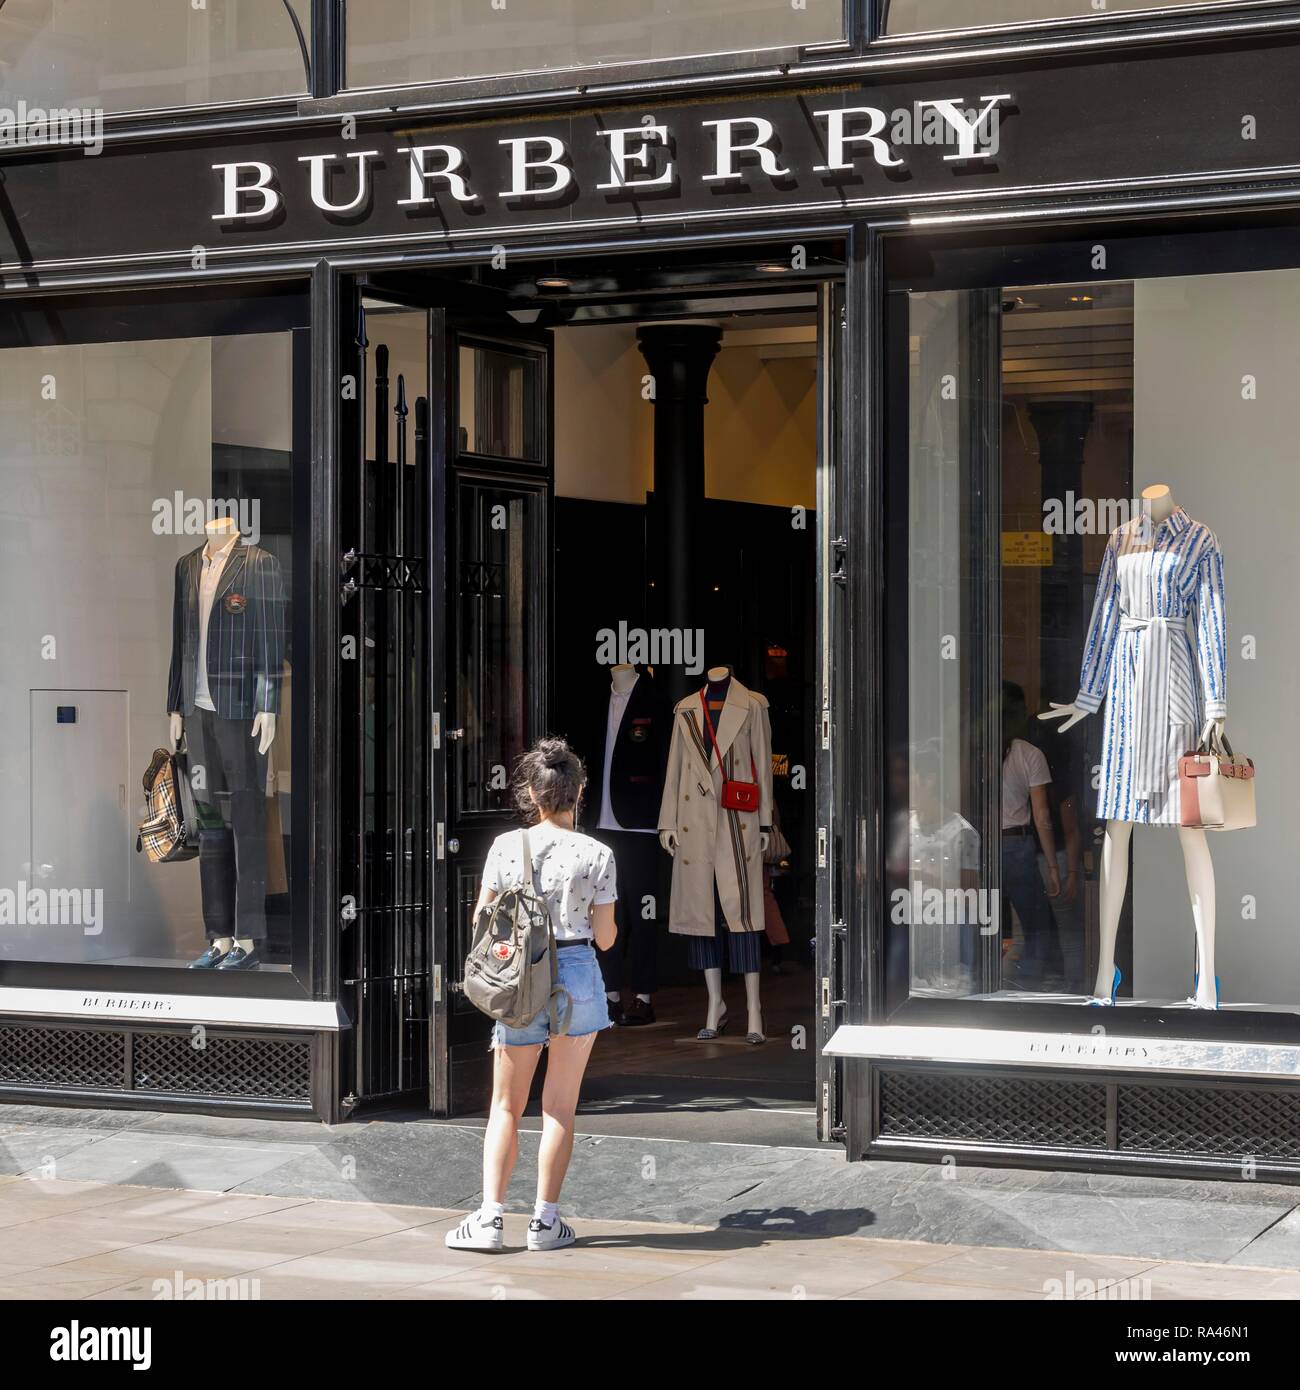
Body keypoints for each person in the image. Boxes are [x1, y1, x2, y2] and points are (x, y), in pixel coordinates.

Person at [445, 737, 618, 1254]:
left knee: (505, 1105)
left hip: (520, 979)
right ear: (579, 793)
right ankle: (545, 1223)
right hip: (579, 975)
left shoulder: (505, 846)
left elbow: (482, 919)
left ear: (532, 793)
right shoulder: (598, 853)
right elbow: (606, 938)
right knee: (560, 1107)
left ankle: (489, 1219)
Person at [1001, 683, 1060, 989]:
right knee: (1035, 925)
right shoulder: (1029, 755)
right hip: (1016, 844)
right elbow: (1042, 816)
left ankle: (989, 982)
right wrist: (1052, 866)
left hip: (981, 843)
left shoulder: (974, 750)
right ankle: (1026, 986)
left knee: (982, 919)